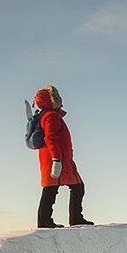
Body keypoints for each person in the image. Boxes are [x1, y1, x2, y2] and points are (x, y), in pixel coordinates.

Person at [32, 85, 93, 229]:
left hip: (58, 159)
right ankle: (73, 219)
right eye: (57, 97)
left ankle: (46, 221)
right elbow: (51, 138)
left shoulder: (48, 115)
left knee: (52, 189)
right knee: (74, 187)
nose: (61, 100)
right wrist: (56, 160)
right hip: (57, 159)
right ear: (51, 100)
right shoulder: (51, 116)